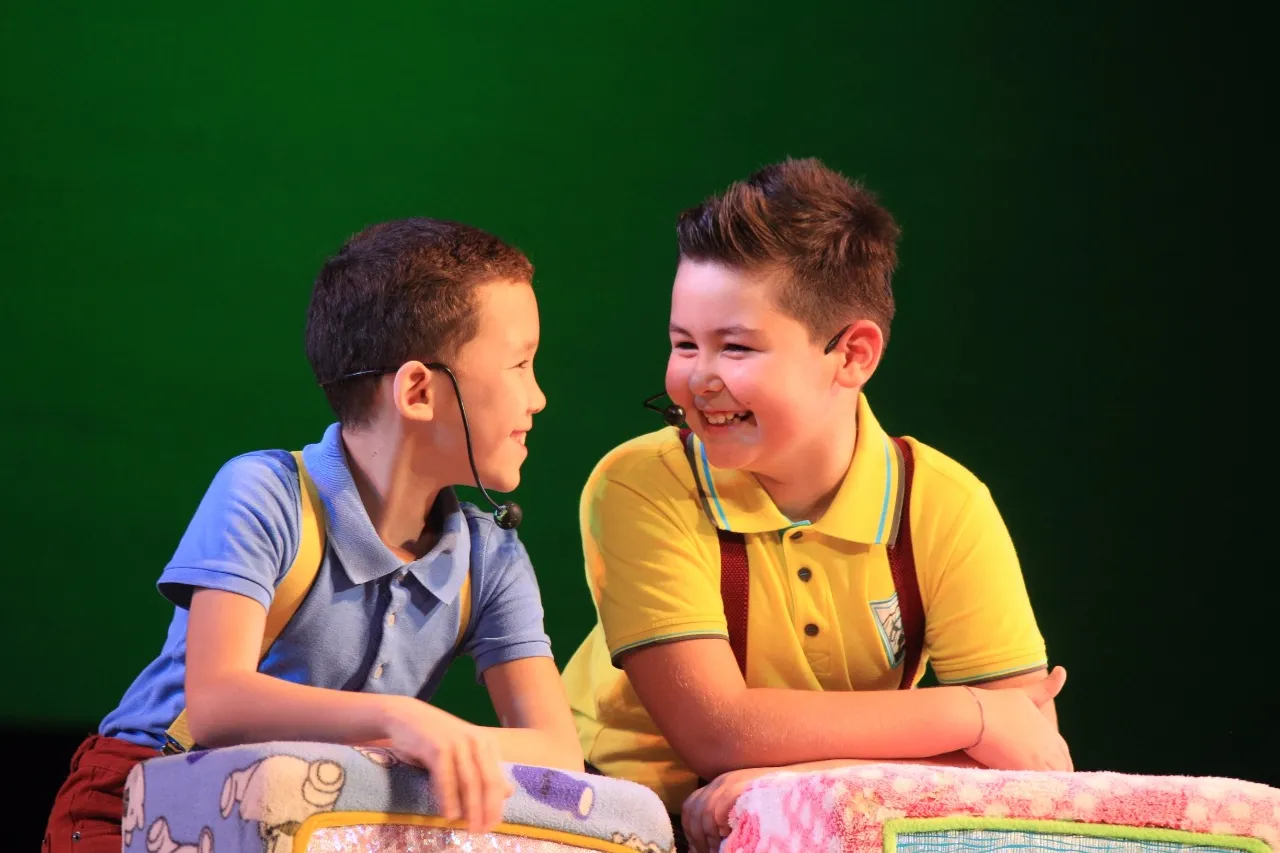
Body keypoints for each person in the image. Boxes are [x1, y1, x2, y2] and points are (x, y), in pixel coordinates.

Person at [560, 159, 1070, 853]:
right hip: (627, 824)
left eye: (735, 347)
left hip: (823, 826)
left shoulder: (947, 505)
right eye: (684, 344)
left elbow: (1033, 763)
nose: (699, 378)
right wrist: (974, 714)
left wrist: (798, 780)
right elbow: (716, 731)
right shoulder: (640, 483)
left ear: (853, 354)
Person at [44, 218, 582, 853]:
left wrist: (442, 744)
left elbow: (557, 751)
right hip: (145, 799)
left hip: (321, 820)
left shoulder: (491, 555)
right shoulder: (265, 492)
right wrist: (401, 721)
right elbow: (216, 703)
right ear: (418, 390)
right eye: (520, 365)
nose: (538, 397)